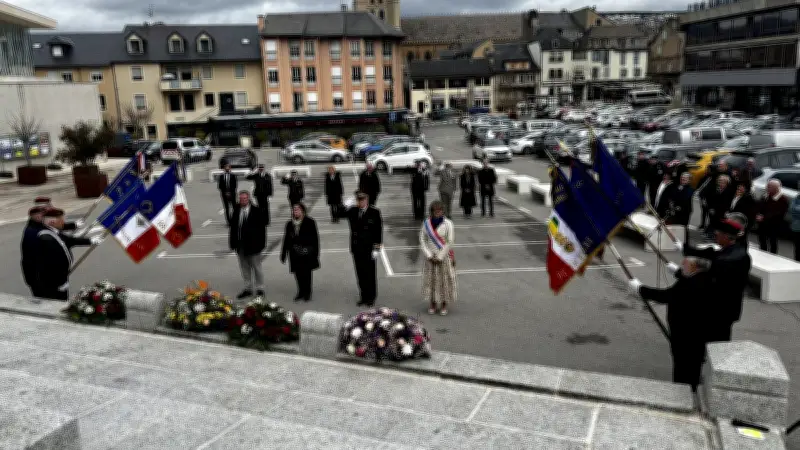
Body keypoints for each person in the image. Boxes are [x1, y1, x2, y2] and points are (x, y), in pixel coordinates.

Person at [628, 256, 714, 390]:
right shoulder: (704, 278)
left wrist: (640, 289)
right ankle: (691, 386)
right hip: (697, 332)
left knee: (683, 367)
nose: (682, 266)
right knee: (693, 364)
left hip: (685, 334)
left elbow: (665, 296)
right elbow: (685, 276)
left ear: (694, 267)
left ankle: (685, 393)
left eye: (685, 264)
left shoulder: (689, 284)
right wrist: (678, 272)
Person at [678, 216, 752, 342]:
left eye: (719, 233)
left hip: (722, 309)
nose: (715, 234)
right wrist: (684, 249)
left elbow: (713, 269)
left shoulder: (735, 257)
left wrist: (682, 271)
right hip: (717, 308)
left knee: (719, 342)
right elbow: (708, 254)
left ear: (727, 237)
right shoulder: (728, 251)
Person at [35, 208, 100, 300]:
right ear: (52, 222)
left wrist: (90, 241)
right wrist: (60, 281)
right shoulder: (47, 239)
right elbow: (53, 265)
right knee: (56, 302)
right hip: (54, 282)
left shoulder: (53, 232)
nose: (63, 223)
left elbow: (70, 240)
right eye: (61, 220)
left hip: (61, 278)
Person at [341, 191, 383, 306]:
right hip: (357, 248)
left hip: (369, 249)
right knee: (360, 274)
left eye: (362, 199)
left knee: (370, 274)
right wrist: (344, 205)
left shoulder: (374, 212)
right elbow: (338, 214)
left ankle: (371, 297)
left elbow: (378, 231)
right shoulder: (353, 211)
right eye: (358, 200)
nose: (360, 201)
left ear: (367, 199)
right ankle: (363, 296)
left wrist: (377, 248)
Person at [420, 200, 457, 315]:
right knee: (431, 281)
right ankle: (433, 303)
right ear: (431, 211)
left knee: (444, 281)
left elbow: (450, 241)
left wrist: (440, 256)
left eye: (440, 210)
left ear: (443, 211)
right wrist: (429, 255)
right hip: (431, 257)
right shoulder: (426, 223)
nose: (437, 212)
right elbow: (422, 240)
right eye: (435, 210)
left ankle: (444, 304)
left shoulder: (448, 223)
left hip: (443, 257)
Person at [229, 191, 266, 299]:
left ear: (249, 198)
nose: (243, 201)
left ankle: (260, 288)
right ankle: (248, 288)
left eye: (245, 198)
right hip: (241, 246)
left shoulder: (257, 211)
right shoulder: (236, 211)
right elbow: (233, 228)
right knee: (244, 268)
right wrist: (233, 243)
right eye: (241, 199)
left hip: (254, 246)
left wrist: (261, 244)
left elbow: (262, 230)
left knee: (257, 268)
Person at [280, 203, 320, 302]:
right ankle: (300, 292)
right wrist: (283, 253)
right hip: (294, 253)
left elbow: (315, 239)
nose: (295, 212)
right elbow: (286, 239)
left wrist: (315, 252)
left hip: (306, 252)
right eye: (294, 210)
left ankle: (307, 292)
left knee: (306, 273)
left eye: (297, 210)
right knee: (297, 273)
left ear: (303, 211)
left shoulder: (310, 222)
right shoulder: (289, 224)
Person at [756, 179, 789, 254]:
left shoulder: (783, 199)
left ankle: (773, 255)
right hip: (763, 223)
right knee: (762, 239)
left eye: (769, 187)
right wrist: (758, 214)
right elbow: (759, 206)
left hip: (774, 224)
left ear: (776, 188)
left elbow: (778, 213)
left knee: (772, 241)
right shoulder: (766, 195)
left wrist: (764, 217)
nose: (767, 188)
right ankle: (762, 252)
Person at [21, 205, 48, 297]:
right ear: (31, 216)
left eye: (40, 214)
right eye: (36, 215)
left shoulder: (40, 226)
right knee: (42, 297)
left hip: (40, 272)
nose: (39, 216)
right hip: (36, 273)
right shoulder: (31, 231)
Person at [706, 174, 734, 239]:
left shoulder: (729, 191)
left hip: (722, 211)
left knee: (718, 224)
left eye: (723, 182)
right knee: (712, 221)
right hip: (713, 209)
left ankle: (713, 236)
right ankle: (709, 234)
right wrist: (711, 208)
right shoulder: (715, 189)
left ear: (726, 183)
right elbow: (711, 199)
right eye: (719, 181)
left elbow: (728, 203)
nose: (720, 183)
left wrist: (727, 211)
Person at [790, 184, 800, 261]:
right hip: (796, 227)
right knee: (797, 248)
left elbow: (795, 209)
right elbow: (791, 209)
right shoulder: (797, 197)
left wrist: (796, 209)